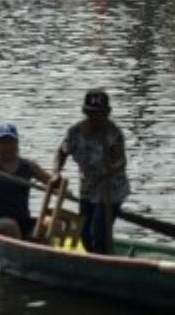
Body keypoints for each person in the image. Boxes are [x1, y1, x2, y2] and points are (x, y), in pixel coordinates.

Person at [53, 90, 130, 255]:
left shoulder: (113, 133)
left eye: (100, 115)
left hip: (111, 190)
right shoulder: (75, 132)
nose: (95, 119)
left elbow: (122, 161)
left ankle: (104, 259)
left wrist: (110, 169)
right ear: (85, 112)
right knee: (84, 233)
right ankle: (94, 258)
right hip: (87, 189)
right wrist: (56, 172)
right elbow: (61, 153)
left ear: (107, 113)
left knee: (99, 231)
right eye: (91, 114)